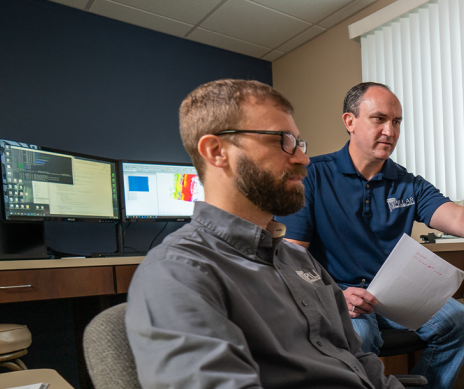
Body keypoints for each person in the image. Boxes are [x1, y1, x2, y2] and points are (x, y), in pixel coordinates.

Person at [125, 79, 401, 389]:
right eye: (281, 140)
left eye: (298, 142)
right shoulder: (177, 273)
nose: (302, 158)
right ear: (216, 151)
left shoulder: (300, 261)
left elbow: (357, 359)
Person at [277, 82, 464, 388]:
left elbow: (456, 216)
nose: (390, 131)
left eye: (396, 122)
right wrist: (333, 297)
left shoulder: (407, 182)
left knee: (463, 324)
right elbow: (291, 255)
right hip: (341, 294)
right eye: (379, 119)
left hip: (395, 293)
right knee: (359, 337)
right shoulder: (312, 174)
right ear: (349, 122)